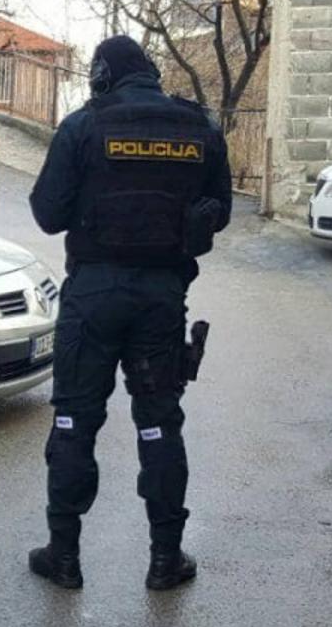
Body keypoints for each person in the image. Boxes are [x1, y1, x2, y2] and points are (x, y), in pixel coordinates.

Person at [25, 36, 231, 591]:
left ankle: (64, 556)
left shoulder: (83, 126)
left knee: (73, 422)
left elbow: (47, 214)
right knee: (160, 424)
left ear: (100, 76)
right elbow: (221, 213)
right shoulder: (200, 127)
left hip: (92, 296)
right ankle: (166, 559)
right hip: (161, 298)